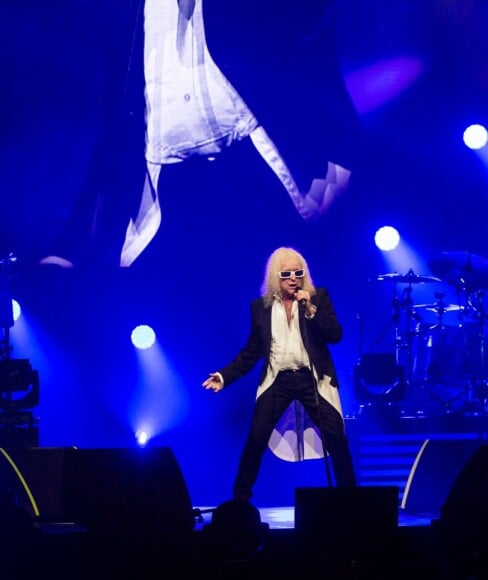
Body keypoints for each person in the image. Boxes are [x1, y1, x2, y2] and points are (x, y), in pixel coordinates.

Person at [40, 0, 364, 271]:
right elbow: (113, 142)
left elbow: (313, 44)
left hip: (253, 175)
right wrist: (68, 246)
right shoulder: (128, 20)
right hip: (172, 197)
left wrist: (342, 162)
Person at [202, 246, 356, 502]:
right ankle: (240, 500)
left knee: (336, 438)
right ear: (275, 276)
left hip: (312, 379)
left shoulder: (318, 298)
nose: (294, 278)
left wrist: (311, 311)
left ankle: (350, 499)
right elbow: (251, 352)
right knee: (256, 438)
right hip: (278, 380)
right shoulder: (260, 307)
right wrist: (224, 375)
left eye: (298, 272)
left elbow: (335, 335)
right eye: (287, 274)